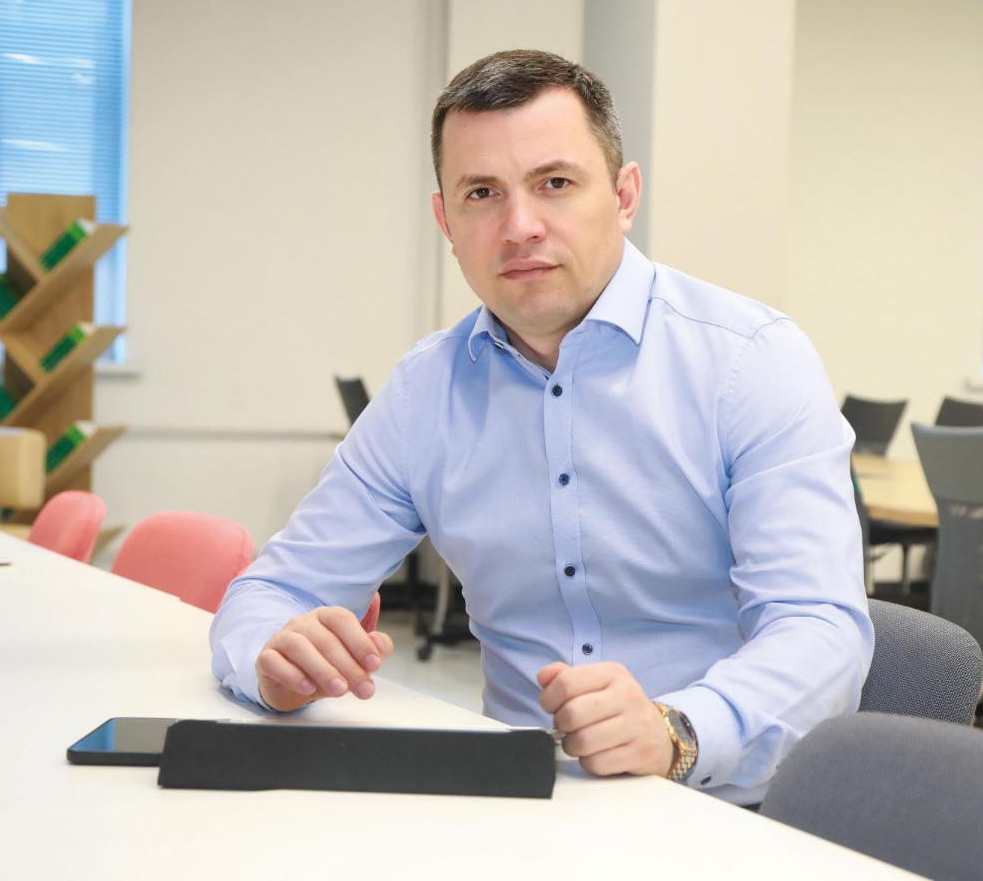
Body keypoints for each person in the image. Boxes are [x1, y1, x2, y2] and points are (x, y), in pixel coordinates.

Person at [209, 49, 872, 805]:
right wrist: (271, 657)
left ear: (624, 196)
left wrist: (677, 731)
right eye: (482, 193)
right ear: (446, 221)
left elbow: (821, 629)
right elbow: (273, 590)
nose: (520, 227)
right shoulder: (425, 392)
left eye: (555, 183)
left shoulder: (750, 361)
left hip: (722, 808)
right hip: (517, 807)